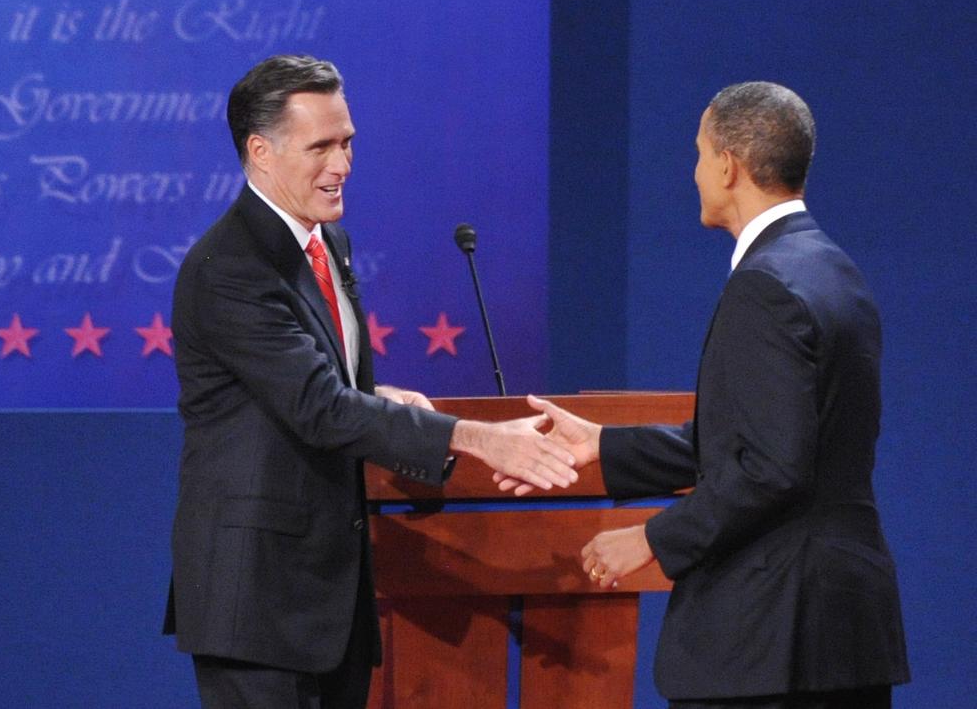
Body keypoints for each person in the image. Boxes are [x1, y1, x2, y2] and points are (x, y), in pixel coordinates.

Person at [163, 54, 578, 709]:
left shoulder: (331, 245)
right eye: (321, 147)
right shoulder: (231, 267)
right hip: (257, 602)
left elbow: (315, 383)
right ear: (261, 150)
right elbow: (319, 406)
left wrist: (378, 396)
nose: (342, 164)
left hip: (328, 597)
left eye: (348, 142)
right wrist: (479, 439)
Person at [499, 82, 910, 708]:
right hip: (842, 631)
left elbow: (772, 469)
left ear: (728, 165)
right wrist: (605, 447)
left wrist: (652, 539)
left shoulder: (765, 285)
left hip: (770, 640)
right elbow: (768, 442)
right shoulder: (834, 271)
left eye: (698, 153)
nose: (693, 172)